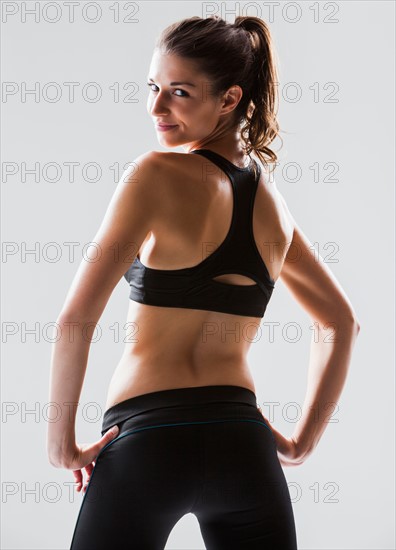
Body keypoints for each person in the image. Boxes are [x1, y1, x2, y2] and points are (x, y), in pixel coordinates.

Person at [47, 14, 360, 550]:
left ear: (230, 97)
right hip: (243, 447)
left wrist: (62, 443)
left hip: (146, 441)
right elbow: (341, 322)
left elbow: (76, 319)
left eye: (179, 92)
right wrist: (301, 444)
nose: (156, 107)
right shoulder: (273, 206)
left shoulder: (154, 174)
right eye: (153, 87)